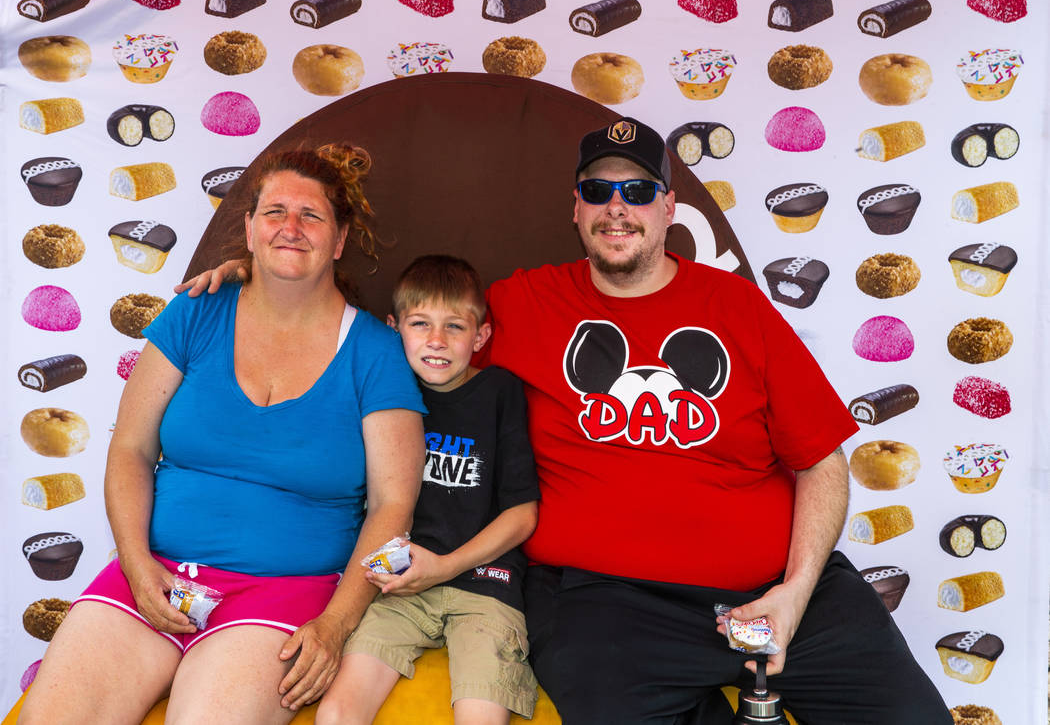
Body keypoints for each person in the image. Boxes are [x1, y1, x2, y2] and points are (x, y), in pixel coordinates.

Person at [180, 119, 952, 724]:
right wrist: (268, 273)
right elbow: (419, 323)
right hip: (610, 605)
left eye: (639, 191)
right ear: (576, 208)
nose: (619, 208)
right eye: (600, 191)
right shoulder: (519, 306)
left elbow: (822, 460)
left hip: (776, 591)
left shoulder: (736, 307)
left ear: (668, 209)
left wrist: (795, 590)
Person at [19, 144, 427, 724]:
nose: (291, 227)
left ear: (338, 241)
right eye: (275, 212)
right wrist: (135, 565)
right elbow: (130, 448)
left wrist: (335, 625)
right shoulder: (195, 312)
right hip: (156, 574)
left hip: (283, 594)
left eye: (312, 215)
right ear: (249, 228)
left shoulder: (376, 353)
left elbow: (393, 507)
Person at [315, 255, 540, 725]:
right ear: (394, 328)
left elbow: (523, 514)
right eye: (421, 324)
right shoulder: (383, 394)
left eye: (454, 327)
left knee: (481, 717)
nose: (436, 342)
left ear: (480, 336)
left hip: (484, 585)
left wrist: (445, 567)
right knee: (337, 713)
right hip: (397, 587)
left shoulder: (500, 392)